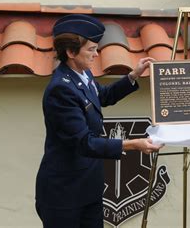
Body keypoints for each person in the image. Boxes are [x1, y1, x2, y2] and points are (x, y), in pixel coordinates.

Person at [35, 14, 162, 228]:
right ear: (71, 52)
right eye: (91, 49)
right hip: (65, 194)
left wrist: (133, 75)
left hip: (88, 186)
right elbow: (83, 141)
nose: (96, 54)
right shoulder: (61, 89)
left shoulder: (82, 75)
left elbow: (102, 96)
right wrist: (132, 144)